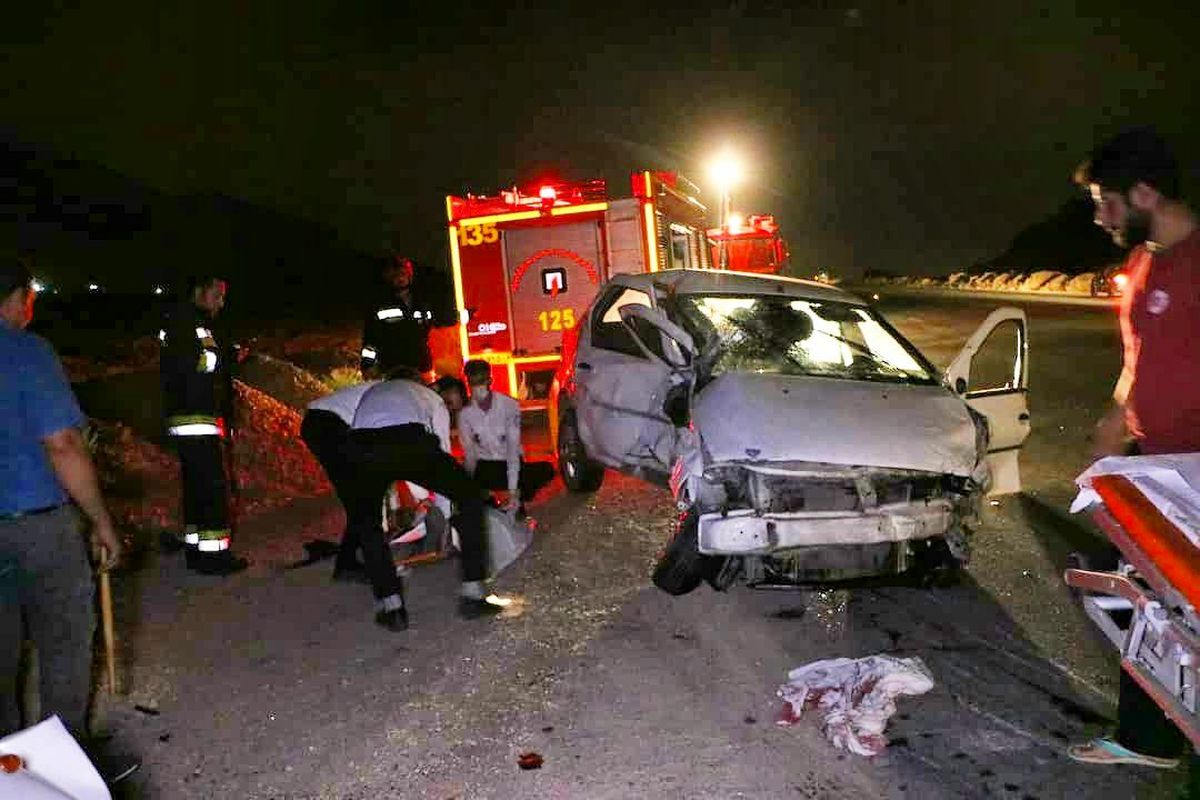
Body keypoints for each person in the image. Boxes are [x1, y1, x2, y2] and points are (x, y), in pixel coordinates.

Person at [1068, 127, 1200, 772]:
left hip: (1197, 467)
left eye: (1106, 200)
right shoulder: (1144, 263)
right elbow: (1138, 358)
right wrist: (1115, 421)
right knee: (1130, 595)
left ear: (1144, 192)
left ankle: (1156, 736)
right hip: (1153, 464)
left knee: (1174, 602)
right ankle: (1154, 735)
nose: (1099, 215)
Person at [0, 256, 138, 783]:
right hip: (38, 526)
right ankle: (60, 771)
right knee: (64, 644)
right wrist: (100, 520)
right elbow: (62, 444)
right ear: (17, 299)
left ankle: (10, 775)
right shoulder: (26, 353)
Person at [346, 368, 510, 631]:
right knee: (469, 496)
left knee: (367, 522)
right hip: (409, 439)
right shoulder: (429, 397)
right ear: (425, 384)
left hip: (361, 446)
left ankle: (392, 607)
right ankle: (473, 592)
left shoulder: (374, 392)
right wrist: (445, 517)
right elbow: (442, 449)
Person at [159, 274, 246, 575]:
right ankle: (214, 557)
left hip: (190, 416)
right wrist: (227, 358)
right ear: (198, 292)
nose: (221, 303)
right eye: (217, 295)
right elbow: (201, 366)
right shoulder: (191, 325)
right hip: (197, 416)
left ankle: (196, 550)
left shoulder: (185, 323)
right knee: (211, 488)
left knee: (197, 486)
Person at [300, 378, 379, 582]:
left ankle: (352, 556)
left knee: (359, 496)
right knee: (361, 498)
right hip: (328, 426)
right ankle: (347, 564)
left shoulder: (390, 389)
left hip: (320, 423)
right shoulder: (398, 398)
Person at [457, 360, 547, 515]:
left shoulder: (506, 406)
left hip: (497, 469)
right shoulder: (467, 413)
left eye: (478, 381)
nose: (477, 387)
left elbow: (512, 449)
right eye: (474, 382)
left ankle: (506, 501)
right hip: (494, 469)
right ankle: (504, 502)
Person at [359, 254, 449, 380]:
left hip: (421, 367)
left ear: (409, 275)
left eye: (403, 274)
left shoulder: (421, 302)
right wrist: (367, 365)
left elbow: (439, 320)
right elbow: (371, 339)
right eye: (395, 276)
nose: (400, 279)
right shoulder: (380, 304)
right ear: (389, 278)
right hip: (392, 369)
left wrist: (464, 315)